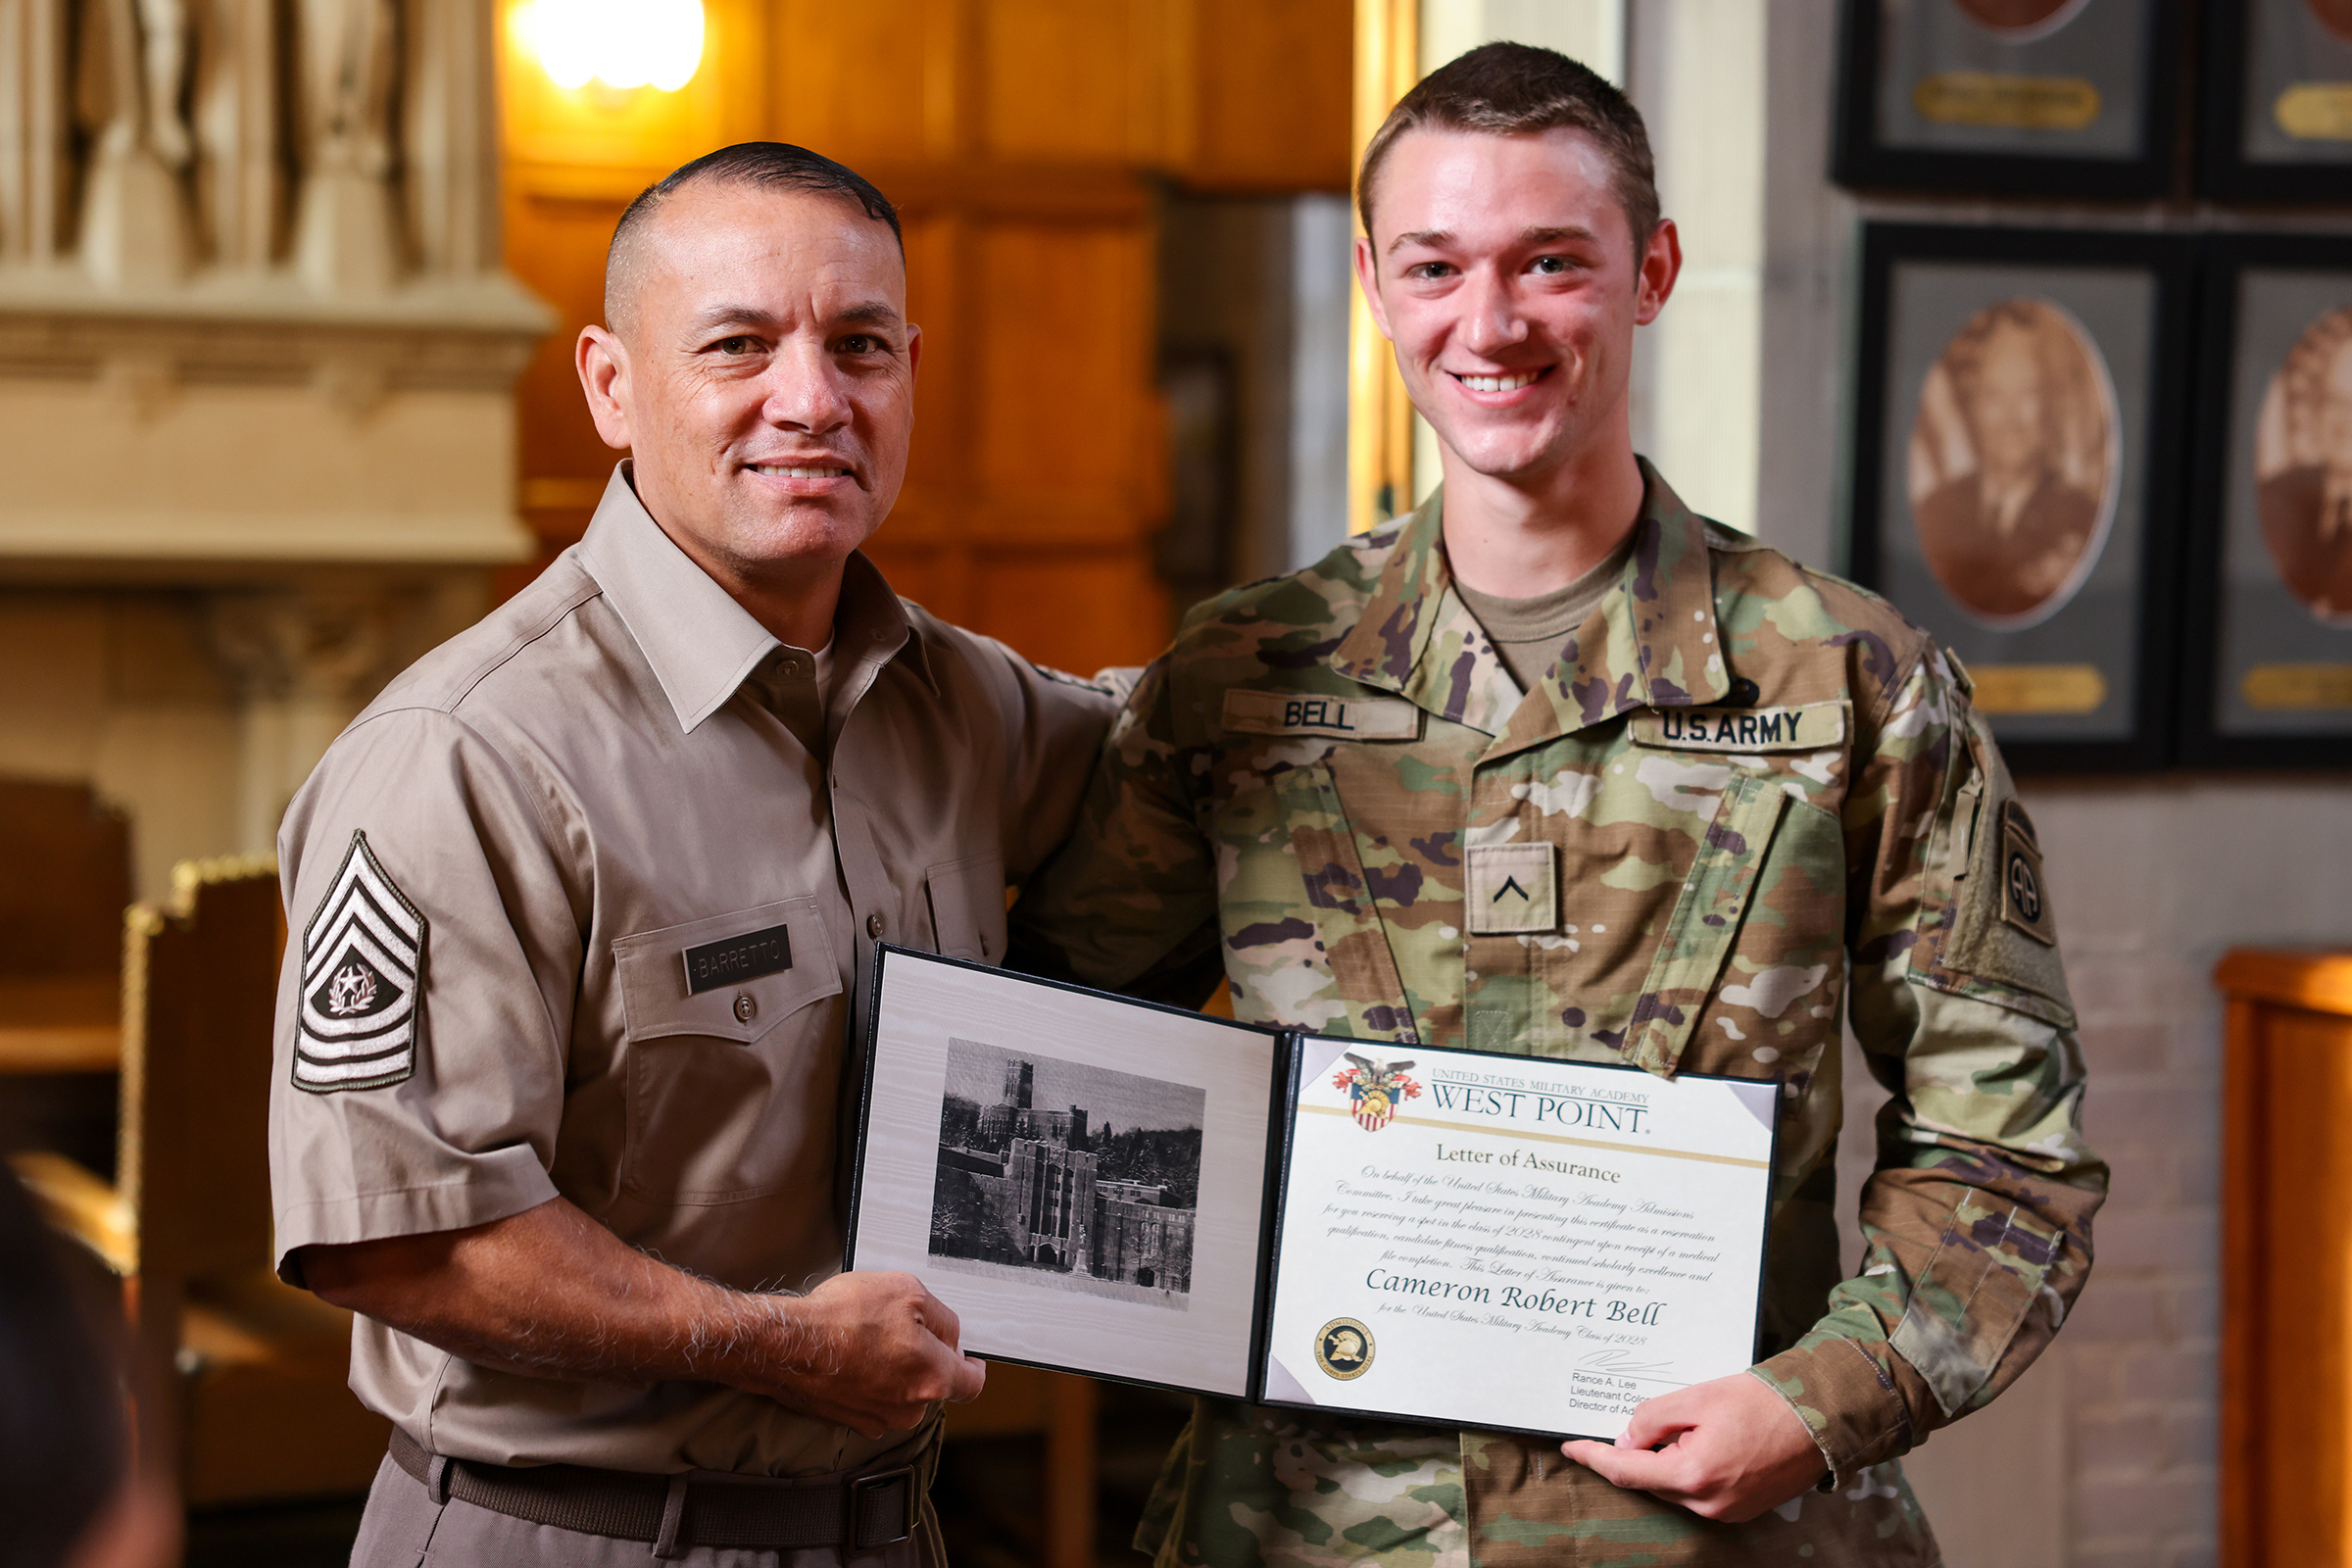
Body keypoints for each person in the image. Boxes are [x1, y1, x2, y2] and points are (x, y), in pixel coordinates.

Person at [1009, 42, 2105, 1567]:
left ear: (1650, 269)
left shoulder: (1848, 682)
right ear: (1379, 287)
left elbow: (2005, 1146)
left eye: (1551, 263)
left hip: (1721, 1539)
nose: (1492, 321)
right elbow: (1052, 1037)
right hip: (1309, 1532)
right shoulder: (1244, 679)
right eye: (1437, 266)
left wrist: (1824, 1395)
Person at [267, 142, 1116, 1567]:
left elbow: (1206, 748)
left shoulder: (961, 709)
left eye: (859, 348)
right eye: (739, 345)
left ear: (910, 370)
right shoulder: (461, 758)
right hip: (564, 1534)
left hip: (886, 1530)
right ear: (610, 383)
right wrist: (780, 1346)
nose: (813, 400)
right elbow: (401, 1239)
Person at [1909, 301, 2107, 624]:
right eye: (1994, 396)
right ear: (1973, 407)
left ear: (2047, 408)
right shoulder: (1937, 509)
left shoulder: (2079, 519)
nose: (2010, 418)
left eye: (2026, 394)